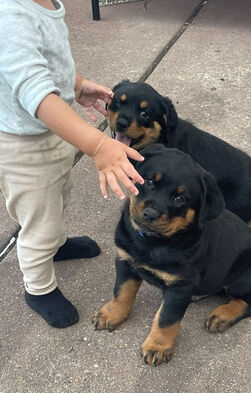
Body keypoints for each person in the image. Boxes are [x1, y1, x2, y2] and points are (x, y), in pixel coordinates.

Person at [0, 0, 144, 328]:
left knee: (58, 198)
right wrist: (98, 145)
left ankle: (56, 244)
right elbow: (36, 93)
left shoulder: (44, 2)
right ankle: (38, 288)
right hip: (22, 145)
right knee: (39, 221)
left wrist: (76, 84)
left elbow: (49, 59)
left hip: (49, 133)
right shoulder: (9, 14)